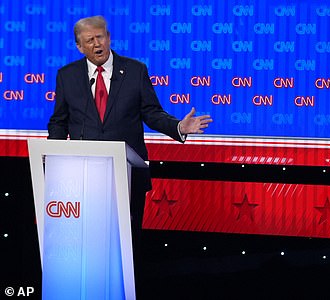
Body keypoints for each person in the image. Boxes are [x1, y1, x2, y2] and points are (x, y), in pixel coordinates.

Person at [47, 15, 213, 293]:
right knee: (86, 246)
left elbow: (151, 112)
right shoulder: (67, 75)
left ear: (109, 38)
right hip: (81, 179)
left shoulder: (134, 70)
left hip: (128, 175)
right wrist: (53, 156)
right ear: (79, 47)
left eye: (101, 37)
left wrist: (178, 127)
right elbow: (59, 120)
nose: (97, 43)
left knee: (126, 246)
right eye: (90, 40)